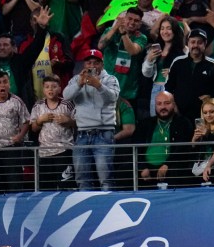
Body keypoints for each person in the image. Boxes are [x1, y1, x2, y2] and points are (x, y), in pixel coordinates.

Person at [63, 50, 120, 191]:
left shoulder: (110, 79)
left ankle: (108, 209)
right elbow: (66, 96)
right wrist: (79, 84)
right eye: (89, 62)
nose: (92, 65)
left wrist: (98, 85)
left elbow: (113, 97)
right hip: (82, 134)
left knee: (105, 179)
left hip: (103, 133)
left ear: (102, 64)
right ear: (84, 64)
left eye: (96, 62)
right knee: (82, 179)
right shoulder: (77, 79)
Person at [133, 91, 191, 188]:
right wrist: (142, 167)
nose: (163, 107)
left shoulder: (183, 123)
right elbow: (135, 146)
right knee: (123, 171)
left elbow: (182, 148)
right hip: (147, 167)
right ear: (155, 106)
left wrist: (167, 165)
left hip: (171, 166)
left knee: (179, 172)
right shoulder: (145, 124)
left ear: (173, 104)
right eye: (159, 104)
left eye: (167, 103)